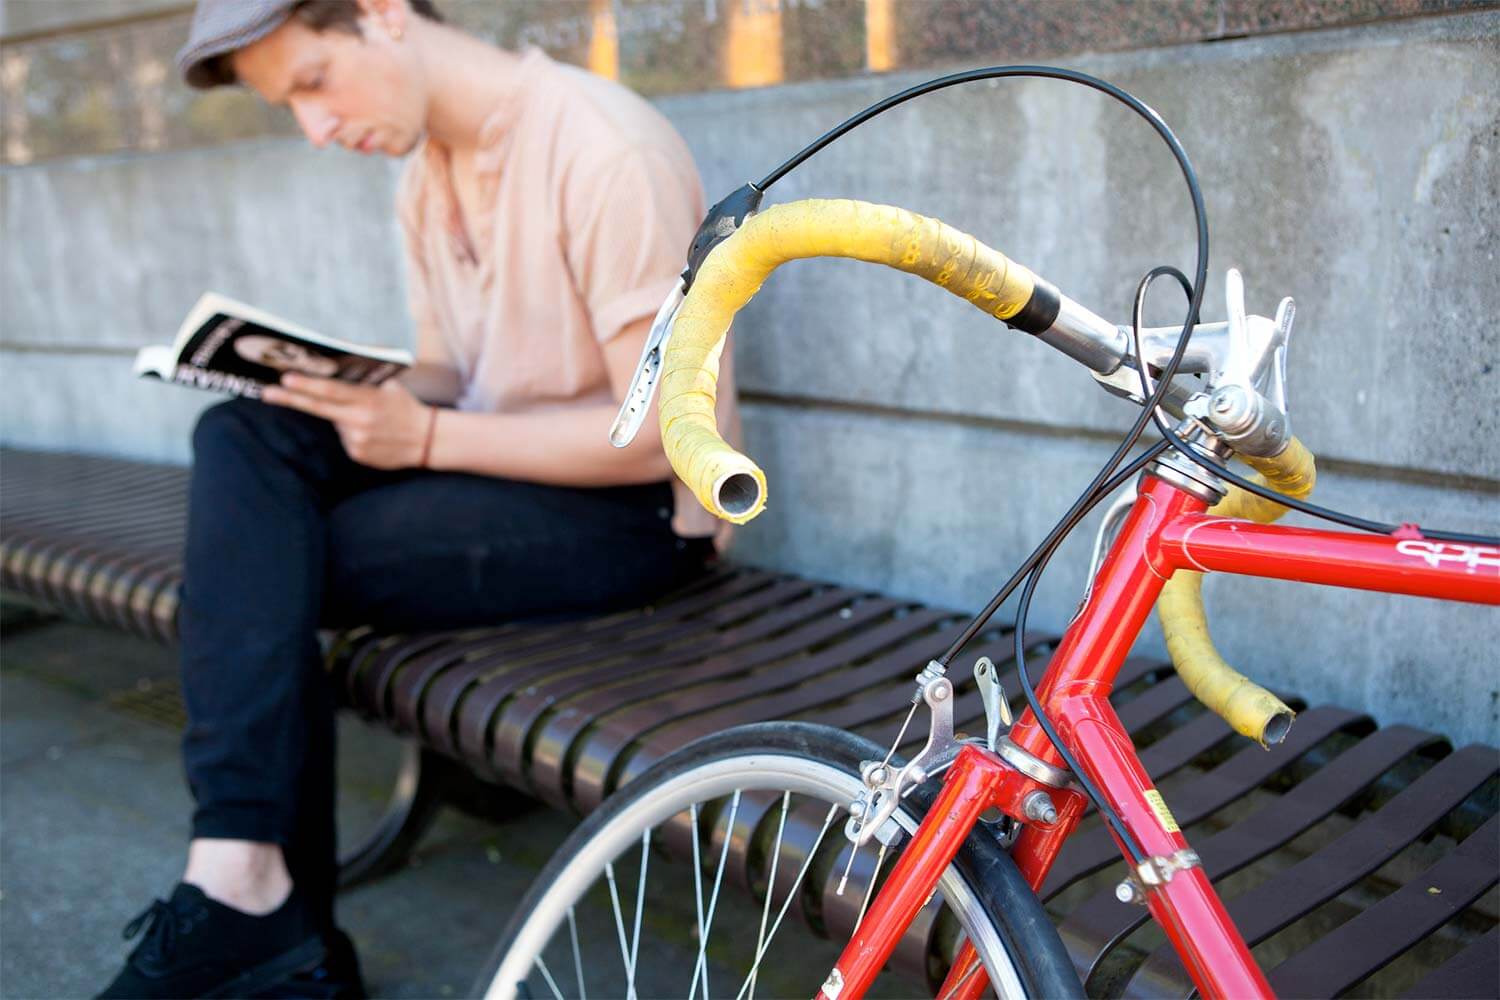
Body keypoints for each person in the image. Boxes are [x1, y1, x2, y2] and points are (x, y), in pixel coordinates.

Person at [100, 0, 738, 995]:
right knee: (242, 433)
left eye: (312, 82)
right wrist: (343, 391)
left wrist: (427, 435)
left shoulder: (604, 148)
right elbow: (450, 369)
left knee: (259, 576)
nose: (315, 129)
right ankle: (246, 885)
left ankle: (260, 915)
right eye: (289, 108)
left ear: (383, 14)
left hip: (635, 514)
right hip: (497, 473)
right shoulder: (424, 172)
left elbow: (667, 436)